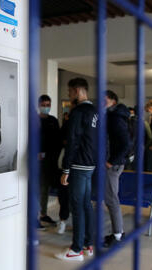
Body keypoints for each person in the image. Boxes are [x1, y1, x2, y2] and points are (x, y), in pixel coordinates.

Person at [56, 78, 97, 261]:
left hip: (79, 164)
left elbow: (72, 141)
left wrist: (66, 169)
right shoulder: (95, 111)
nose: (68, 94)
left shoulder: (78, 112)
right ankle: (88, 244)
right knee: (86, 204)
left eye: (70, 91)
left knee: (77, 206)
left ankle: (76, 249)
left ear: (78, 90)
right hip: (90, 164)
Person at [103, 90, 131, 247]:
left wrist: (111, 161)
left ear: (113, 101)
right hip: (116, 163)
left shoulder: (114, 118)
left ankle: (118, 234)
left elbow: (126, 143)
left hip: (113, 164)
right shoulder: (117, 116)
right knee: (111, 198)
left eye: (104, 99)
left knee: (111, 199)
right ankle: (118, 231)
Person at [38, 95, 69, 233]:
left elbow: (57, 140)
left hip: (51, 161)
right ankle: (35, 217)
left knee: (45, 188)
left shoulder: (53, 121)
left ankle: (43, 215)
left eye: (48, 104)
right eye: (44, 104)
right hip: (37, 161)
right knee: (38, 189)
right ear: (39, 105)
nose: (46, 106)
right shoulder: (34, 121)